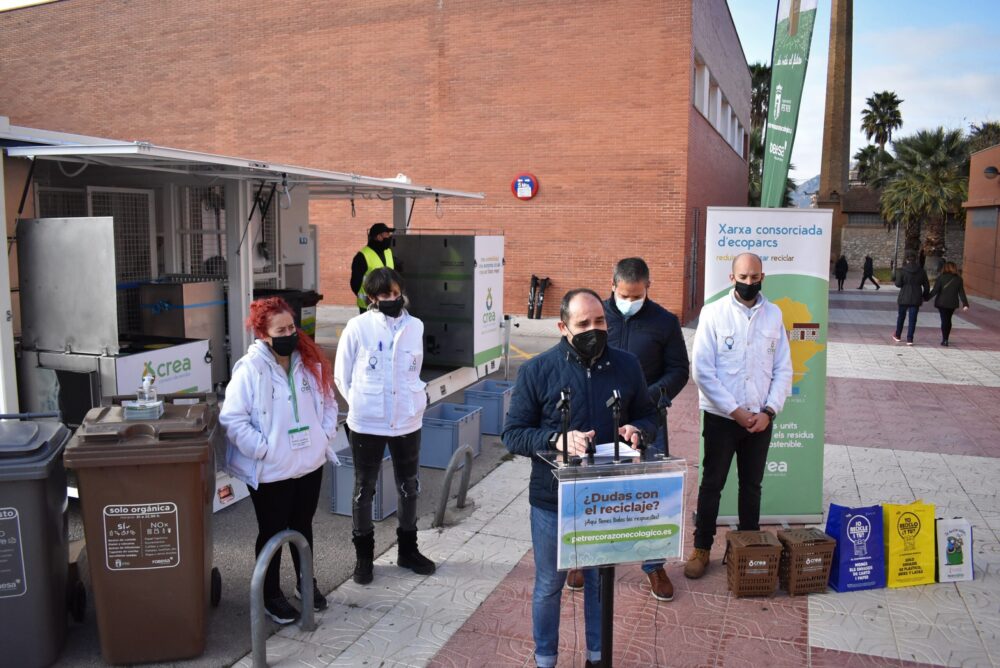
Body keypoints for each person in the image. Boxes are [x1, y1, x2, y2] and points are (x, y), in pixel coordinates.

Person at [503, 288, 657, 668]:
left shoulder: (627, 365)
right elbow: (513, 434)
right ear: (563, 327)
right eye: (583, 323)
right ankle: (545, 659)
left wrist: (638, 429)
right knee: (549, 584)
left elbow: (649, 415)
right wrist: (555, 439)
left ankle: (596, 657)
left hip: (606, 499)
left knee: (599, 582)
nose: (594, 330)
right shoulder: (537, 370)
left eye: (600, 321)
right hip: (552, 499)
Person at [563, 258, 688, 601]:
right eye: (624, 295)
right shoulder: (597, 316)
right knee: (590, 491)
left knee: (651, 493)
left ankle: (654, 564)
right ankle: (581, 557)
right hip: (596, 417)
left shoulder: (664, 321)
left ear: (648, 287)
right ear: (613, 285)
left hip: (645, 419)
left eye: (637, 295)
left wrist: (648, 395)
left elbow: (679, 370)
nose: (629, 301)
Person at [220, 297, 338, 624]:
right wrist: (264, 449)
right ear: (263, 335)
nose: (289, 334)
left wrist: (323, 435)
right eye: (280, 330)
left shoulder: (309, 361)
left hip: (309, 463)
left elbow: (329, 402)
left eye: (291, 327)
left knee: (303, 525)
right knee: (272, 530)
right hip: (271, 470)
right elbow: (232, 419)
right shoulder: (250, 369)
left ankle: (305, 582)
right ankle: (270, 594)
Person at [685, 253, 793, 580]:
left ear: (763, 277)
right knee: (712, 485)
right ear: (732, 278)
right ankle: (702, 548)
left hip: (760, 420)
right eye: (743, 277)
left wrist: (769, 411)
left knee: (752, 486)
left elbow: (783, 369)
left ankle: (749, 547)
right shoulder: (713, 313)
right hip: (722, 418)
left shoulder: (773, 314)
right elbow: (702, 371)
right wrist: (735, 411)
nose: (749, 282)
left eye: (755, 277)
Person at [334, 268, 435, 585]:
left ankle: (408, 550)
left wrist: (415, 399)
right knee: (364, 490)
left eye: (395, 293)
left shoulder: (416, 326)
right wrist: (361, 403)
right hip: (368, 422)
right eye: (384, 295)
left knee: (409, 486)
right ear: (371, 298)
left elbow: (413, 370)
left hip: (407, 419)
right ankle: (364, 558)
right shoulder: (358, 327)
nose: (392, 299)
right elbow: (342, 375)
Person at [350, 223, 396, 314]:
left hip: (387, 303)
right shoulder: (362, 256)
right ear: (379, 237)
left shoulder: (388, 252)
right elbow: (355, 283)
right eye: (387, 234)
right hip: (369, 306)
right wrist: (369, 298)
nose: (389, 237)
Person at [892, 251, 930, 345]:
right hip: (916, 297)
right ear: (916, 259)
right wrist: (925, 296)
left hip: (904, 296)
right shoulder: (921, 271)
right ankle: (910, 338)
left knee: (901, 317)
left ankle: (898, 335)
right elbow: (927, 286)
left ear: (907, 259)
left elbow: (898, 284)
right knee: (913, 319)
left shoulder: (901, 270)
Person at [927, 261, 969, 346]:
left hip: (941, 302)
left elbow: (935, 290)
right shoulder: (958, 279)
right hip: (952, 303)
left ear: (945, 268)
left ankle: (945, 339)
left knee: (944, 320)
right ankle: (946, 338)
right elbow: (961, 292)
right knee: (948, 319)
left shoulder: (941, 277)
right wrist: (965, 304)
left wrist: (926, 298)